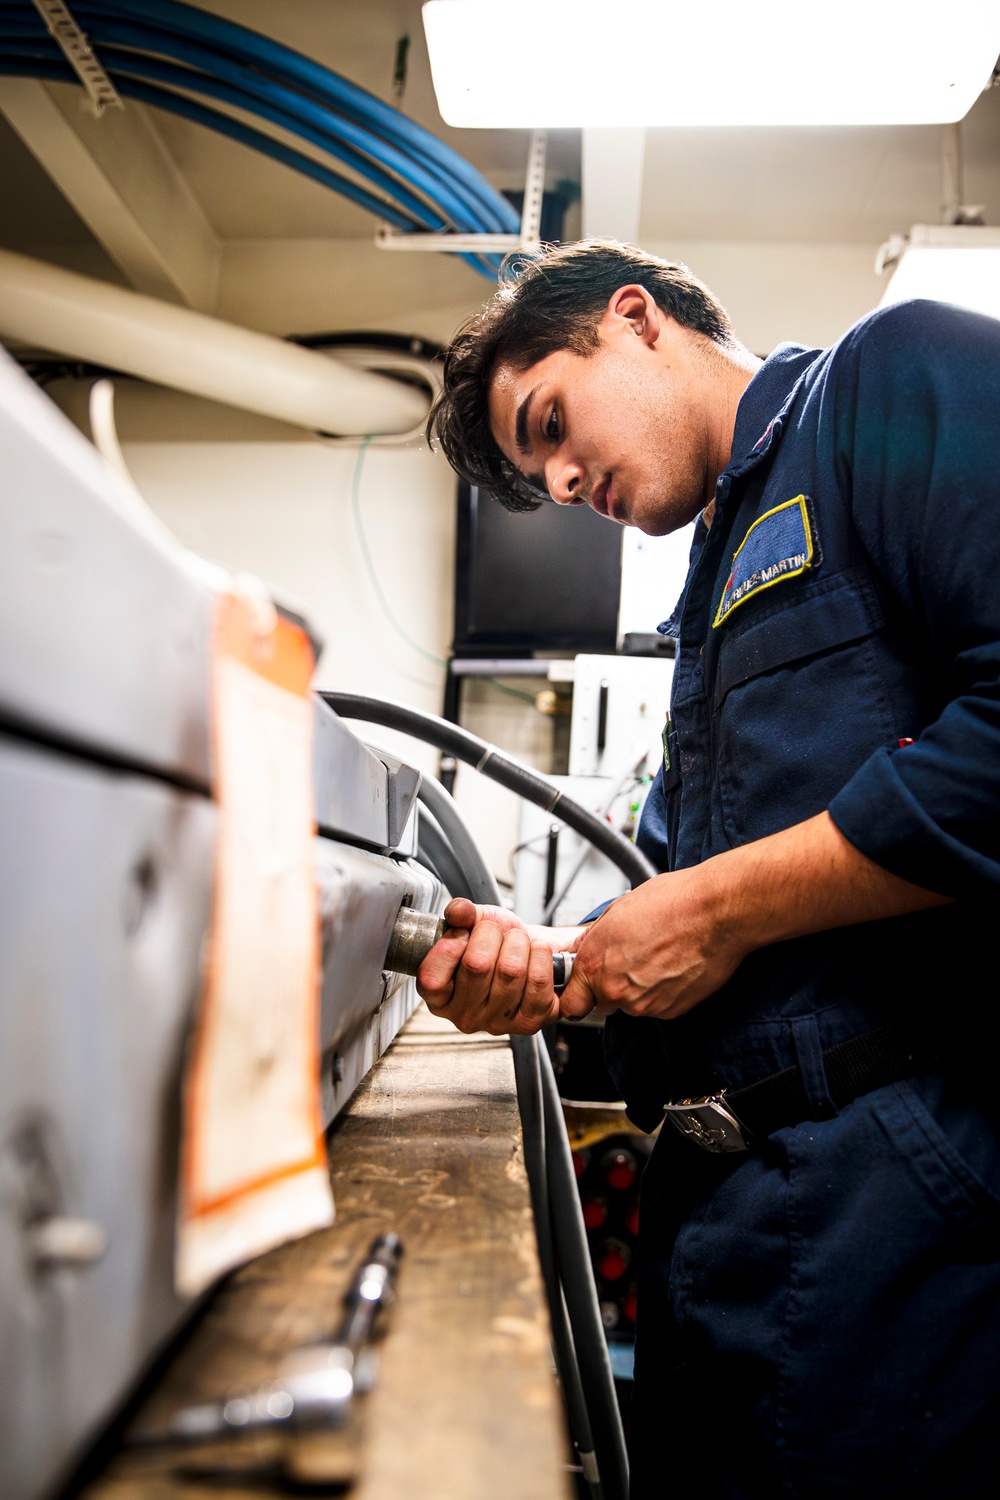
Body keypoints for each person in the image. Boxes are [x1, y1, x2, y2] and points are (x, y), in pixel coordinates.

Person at [417, 240, 1000, 1496]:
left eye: (551, 424)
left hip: (894, 1210)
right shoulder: (710, 596)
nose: (564, 480)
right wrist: (559, 977)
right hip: (719, 1220)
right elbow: (698, 945)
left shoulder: (889, 387)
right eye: (540, 476)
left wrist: (716, 909)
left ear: (635, 319)